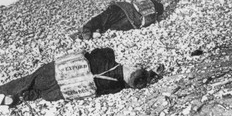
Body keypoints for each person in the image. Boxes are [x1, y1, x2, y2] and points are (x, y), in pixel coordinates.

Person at [0, 47, 161, 108]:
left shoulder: (108, 57)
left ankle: (7, 92)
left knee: (29, 79)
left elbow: (94, 52)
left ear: (132, 68)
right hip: (59, 92)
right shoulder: (116, 87)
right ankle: (22, 97)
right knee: (38, 92)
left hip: (56, 73)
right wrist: (149, 76)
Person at [78, 0, 164, 40]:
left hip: (122, 8)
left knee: (104, 17)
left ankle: (88, 29)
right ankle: (95, 31)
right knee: (112, 25)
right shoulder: (153, 15)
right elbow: (143, 23)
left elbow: (128, 0)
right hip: (130, 20)